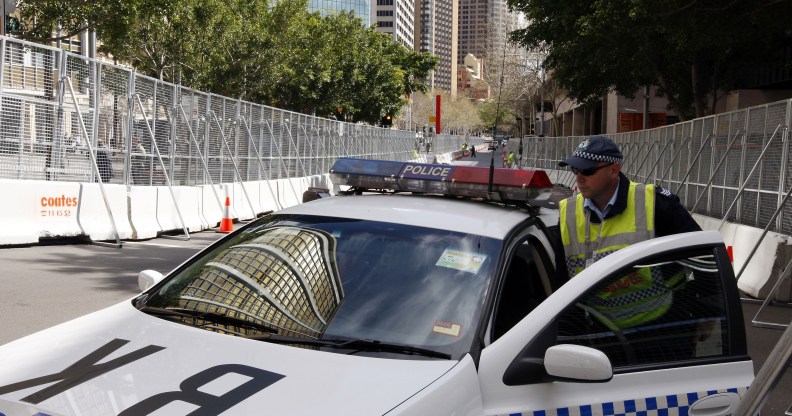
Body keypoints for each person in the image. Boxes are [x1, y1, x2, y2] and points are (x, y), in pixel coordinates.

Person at [555, 135, 707, 357]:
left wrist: (709, 313)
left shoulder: (655, 204)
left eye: (587, 171)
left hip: (663, 331)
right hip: (603, 336)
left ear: (614, 170)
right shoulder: (567, 213)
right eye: (575, 170)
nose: (579, 178)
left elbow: (704, 254)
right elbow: (562, 285)